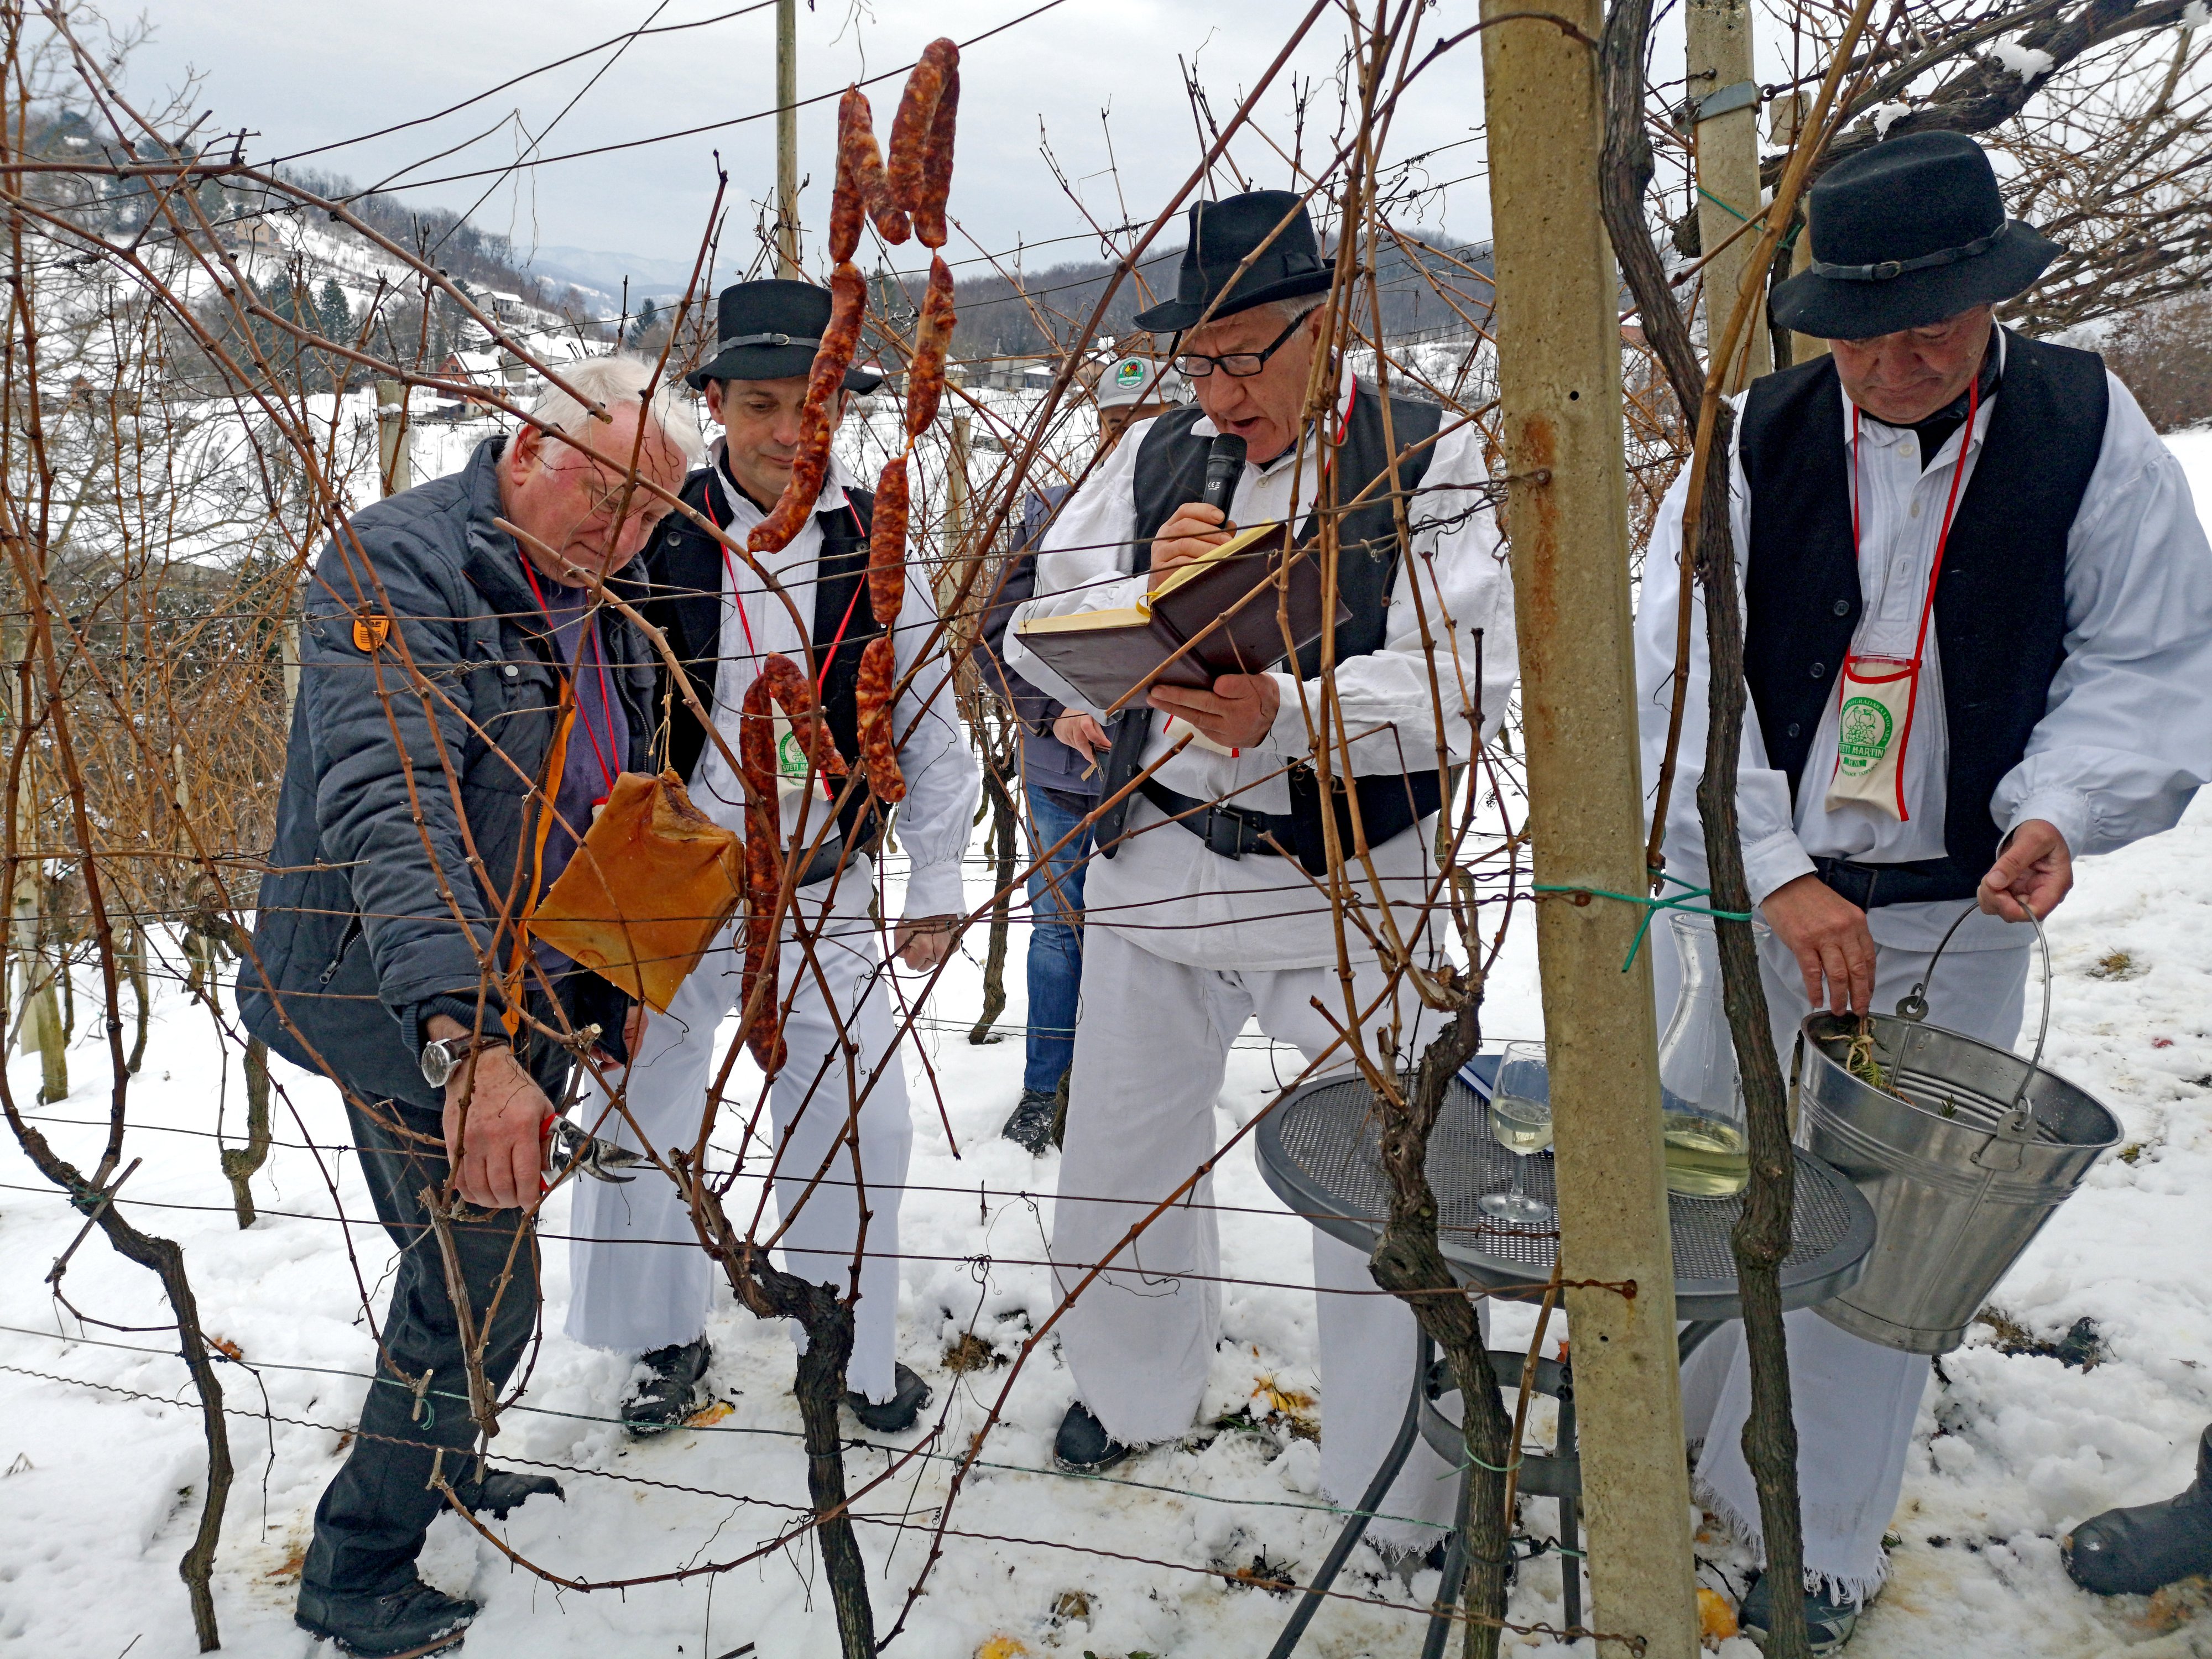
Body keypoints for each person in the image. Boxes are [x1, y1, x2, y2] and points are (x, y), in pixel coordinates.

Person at [1635, 131, 2212, 1651]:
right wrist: (1774, 870)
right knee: (1713, 1166)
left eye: (1933, 326)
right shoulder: (1752, 439)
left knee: (1879, 1234)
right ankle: (1669, 1449)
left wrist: (2059, 806)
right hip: (1755, 903)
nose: (1898, 362)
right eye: (1864, 332)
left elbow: (2147, 658)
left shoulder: (2087, 426)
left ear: (1992, 295)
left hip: (1957, 913)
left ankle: (1812, 1540)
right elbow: (1674, 680)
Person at [1001, 189, 1517, 1553]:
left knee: (1379, 1184)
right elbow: (1035, 626)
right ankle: (1132, 1392)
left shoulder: (1426, 450)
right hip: (1163, 863)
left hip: (1350, 887)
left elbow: (1465, 684)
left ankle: (1394, 1486)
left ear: (1325, 327)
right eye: (1200, 361)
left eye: (1245, 357)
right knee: (1119, 1159)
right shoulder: (1154, 454)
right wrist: (1139, 590)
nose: (1220, 393)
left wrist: (1284, 711)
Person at [239, 357, 700, 1656]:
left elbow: (617, 785)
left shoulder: (604, 594)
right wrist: (469, 1043)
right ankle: (357, 1567)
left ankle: (435, 1464)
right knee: (480, 1296)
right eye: (604, 496)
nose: (623, 536)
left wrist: (619, 972)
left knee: (458, 1276)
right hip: (396, 997)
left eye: (651, 515)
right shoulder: (396, 569)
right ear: (527, 447)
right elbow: (397, 809)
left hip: (530, 993)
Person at [561, 279, 979, 1437]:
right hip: (670, 876)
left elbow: (931, 721)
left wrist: (936, 877)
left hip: (821, 881)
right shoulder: (658, 532)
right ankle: (656, 1341)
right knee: (636, 1107)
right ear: (716, 405)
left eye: (814, 405)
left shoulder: (875, 545)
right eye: (760, 405)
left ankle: (843, 1344)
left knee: (860, 1123)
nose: (790, 431)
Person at [973, 353, 1188, 1153]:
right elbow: (993, 634)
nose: (1128, 439)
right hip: (1065, 776)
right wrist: (1053, 711)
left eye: (1148, 423)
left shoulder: (1211, 521)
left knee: (1153, 938)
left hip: (1170, 778)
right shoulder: (1054, 518)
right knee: (1061, 932)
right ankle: (1046, 1091)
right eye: (1115, 424)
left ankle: (1134, 1088)